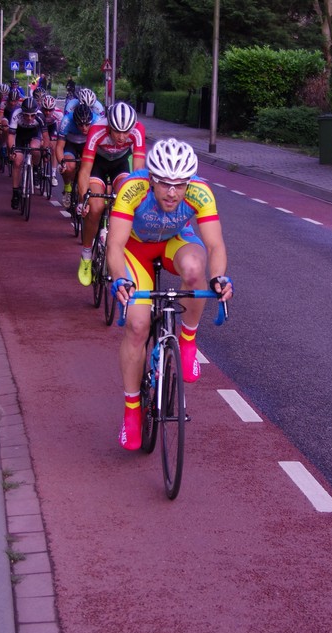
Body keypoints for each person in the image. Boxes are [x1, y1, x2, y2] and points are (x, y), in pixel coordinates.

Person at [107, 138, 232, 450]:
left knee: (195, 269)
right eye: (164, 183)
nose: (172, 193)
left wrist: (219, 278)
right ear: (151, 178)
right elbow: (115, 245)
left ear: (189, 181)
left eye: (179, 185)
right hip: (135, 249)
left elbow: (215, 244)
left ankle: (187, 340)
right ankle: (132, 410)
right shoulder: (133, 188)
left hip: (175, 242)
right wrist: (121, 279)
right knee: (137, 326)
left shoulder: (200, 191)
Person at [74, 101, 147, 286]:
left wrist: (138, 200)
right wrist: (83, 200)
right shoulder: (97, 129)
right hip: (98, 164)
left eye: (126, 132)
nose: (122, 137)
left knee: (126, 199)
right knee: (96, 207)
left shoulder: (138, 130)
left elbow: (138, 172)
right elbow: (85, 170)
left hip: (120, 164)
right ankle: (86, 255)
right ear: (109, 127)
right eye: (117, 132)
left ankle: (119, 248)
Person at [54, 103, 98, 208]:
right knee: (69, 166)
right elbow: (59, 147)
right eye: (80, 125)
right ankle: (67, 189)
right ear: (75, 122)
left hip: (87, 144)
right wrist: (62, 163)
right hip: (71, 144)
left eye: (87, 125)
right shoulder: (66, 121)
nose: (84, 128)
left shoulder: (97, 121)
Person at [6, 97, 46, 210]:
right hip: (20, 135)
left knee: (35, 149)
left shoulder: (40, 116)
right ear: (22, 112)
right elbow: (11, 136)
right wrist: (12, 150)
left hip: (34, 134)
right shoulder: (16, 114)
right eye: (26, 115)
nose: (29, 118)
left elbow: (46, 136)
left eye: (32, 115)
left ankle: (36, 169)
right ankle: (15, 193)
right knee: (17, 161)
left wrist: (45, 149)